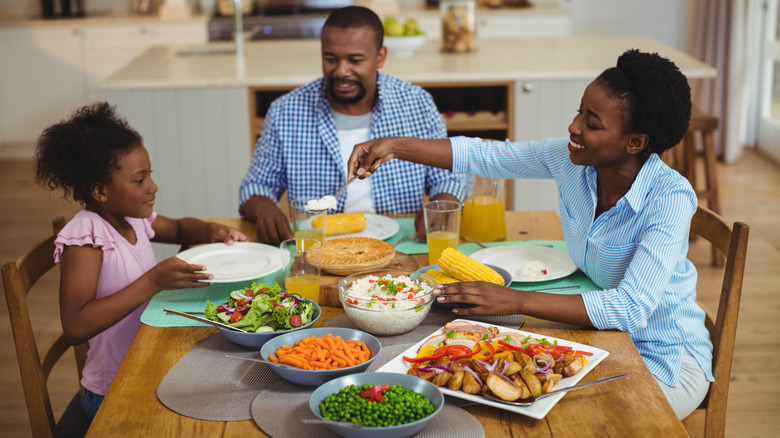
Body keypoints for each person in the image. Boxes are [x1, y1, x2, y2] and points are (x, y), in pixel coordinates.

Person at [348, 49, 711, 420]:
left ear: (635, 142)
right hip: (605, 338)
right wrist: (394, 146)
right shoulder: (573, 162)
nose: (574, 127)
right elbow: (486, 155)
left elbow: (631, 308)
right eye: (579, 111)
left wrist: (515, 300)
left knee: (568, 418)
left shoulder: (670, 198)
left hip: (667, 359)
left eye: (593, 123)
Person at [35, 102, 247, 422]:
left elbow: (177, 228)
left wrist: (210, 229)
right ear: (100, 191)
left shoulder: (131, 217)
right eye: (139, 180)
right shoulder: (87, 236)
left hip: (147, 361)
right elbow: (76, 326)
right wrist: (152, 281)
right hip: (113, 390)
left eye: (150, 175)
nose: (153, 186)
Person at [238, 6, 465, 245]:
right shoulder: (286, 111)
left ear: (380, 57)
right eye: (330, 59)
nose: (341, 71)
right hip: (319, 251)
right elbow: (257, 185)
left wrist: (442, 206)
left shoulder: (416, 104)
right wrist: (265, 211)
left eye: (355, 60)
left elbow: (447, 177)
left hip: (402, 246)